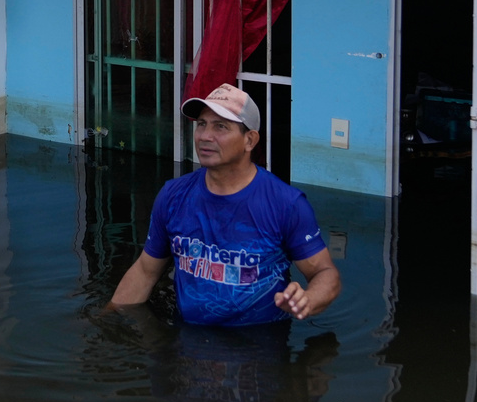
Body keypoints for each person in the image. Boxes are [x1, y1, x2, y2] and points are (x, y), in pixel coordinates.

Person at [110, 83, 341, 325]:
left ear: (249, 140)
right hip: (187, 339)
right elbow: (146, 271)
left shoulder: (286, 204)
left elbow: (324, 272)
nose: (205, 136)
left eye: (221, 126)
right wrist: (106, 321)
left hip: (259, 344)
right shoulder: (173, 195)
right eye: (201, 124)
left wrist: (309, 298)